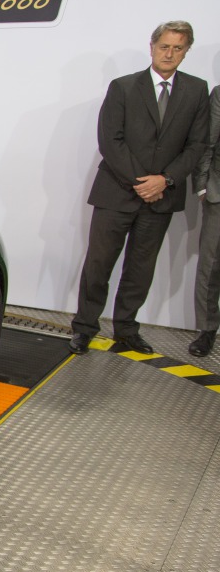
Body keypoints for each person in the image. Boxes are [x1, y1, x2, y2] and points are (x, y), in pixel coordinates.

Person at [68, 21, 209, 355]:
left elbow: (197, 144)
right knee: (98, 265)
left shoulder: (196, 89)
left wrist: (165, 180)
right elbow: (110, 140)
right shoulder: (124, 87)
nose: (170, 53)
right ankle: (84, 328)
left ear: (186, 51)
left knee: (140, 269)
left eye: (178, 48)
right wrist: (141, 182)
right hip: (116, 193)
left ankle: (127, 330)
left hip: (162, 196)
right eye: (164, 46)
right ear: (152, 46)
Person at [188, 86, 220, 357]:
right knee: (210, 267)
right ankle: (207, 330)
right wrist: (201, 185)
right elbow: (207, 142)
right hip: (219, 194)